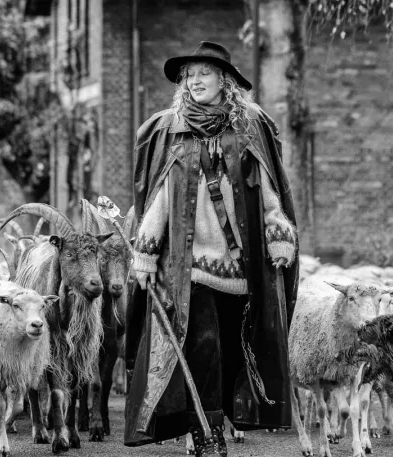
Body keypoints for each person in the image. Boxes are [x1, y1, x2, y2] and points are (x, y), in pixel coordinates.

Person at [124, 41, 299, 457]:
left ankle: (217, 419)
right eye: (189, 75)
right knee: (202, 346)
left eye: (204, 72)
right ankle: (207, 432)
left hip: (240, 269)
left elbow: (268, 194)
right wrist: (146, 252)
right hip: (191, 267)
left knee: (233, 351)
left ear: (225, 80)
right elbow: (162, 197)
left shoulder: (248, 127)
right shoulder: (174, 128)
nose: (195, 80)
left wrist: (279, 235)